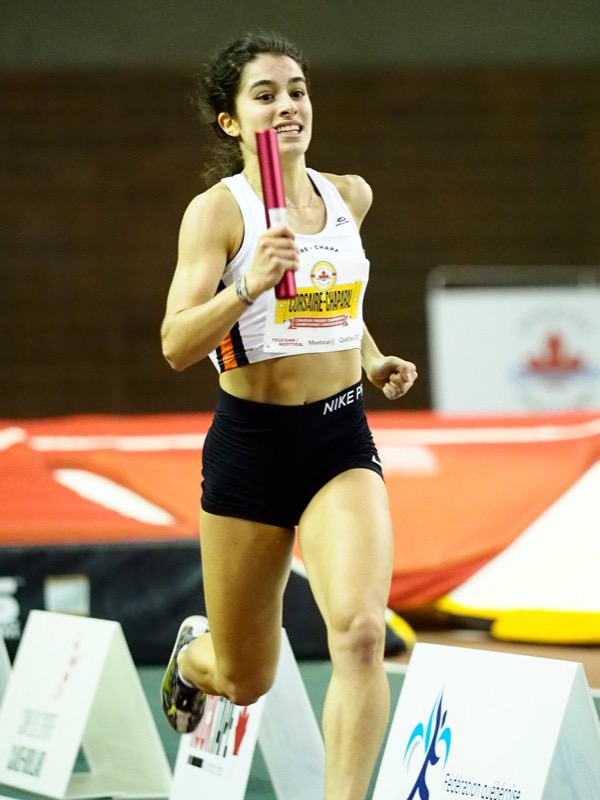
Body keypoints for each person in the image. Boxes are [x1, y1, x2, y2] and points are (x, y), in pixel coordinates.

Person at [160, 31, 417, 800]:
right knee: (245, 677)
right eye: (264, 95)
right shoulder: (219, 214)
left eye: (297, 90)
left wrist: (370, 359)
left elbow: (336, 298)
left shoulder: (351, 195)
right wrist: (247, 286)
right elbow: (176, 342)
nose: (288, 106)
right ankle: (194, 657)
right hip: (252, 448)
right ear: (231, 122)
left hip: (340, 434)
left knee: (363, 634)